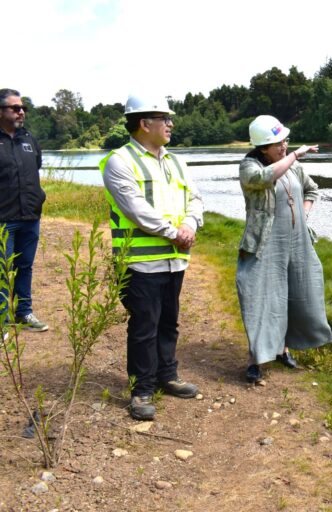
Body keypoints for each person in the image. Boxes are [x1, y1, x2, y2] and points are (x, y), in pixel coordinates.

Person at [100, 94, 203, 421]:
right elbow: (135, 209)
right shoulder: (120, 161)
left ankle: (167, 375)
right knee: (144, 325)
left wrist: (189, 223)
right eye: (164, 118)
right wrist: (175, 233)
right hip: (140, 263)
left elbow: (195, 198)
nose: (171, 124)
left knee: (168, 320)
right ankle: (142, 389)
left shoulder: (176, 161)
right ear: (144, 123)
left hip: (175, 260)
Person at [236, 115, 332, 384]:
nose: (284, 146)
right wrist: (295, 156)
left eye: (285, 141)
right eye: (278, 143)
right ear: (262, 147)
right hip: (265, 244)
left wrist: (303, 215)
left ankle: (283, 349)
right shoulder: (249, 166)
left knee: (296, 293)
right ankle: (256, 358)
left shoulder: (293, 168)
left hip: (297, 240)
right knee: (262, 297)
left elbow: (312, 190)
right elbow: (264, 178)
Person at [0, 88, 48, 333]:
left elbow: (35, 167)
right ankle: (1, 322)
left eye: (23, 108)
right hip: (3, 220)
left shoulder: (29, 139)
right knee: (2, 270)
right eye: (15, 108)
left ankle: (24, 312)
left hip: (30, 216)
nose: (21, 112)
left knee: (25, 266)